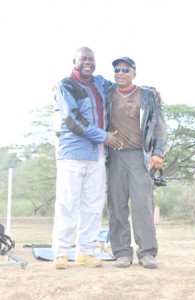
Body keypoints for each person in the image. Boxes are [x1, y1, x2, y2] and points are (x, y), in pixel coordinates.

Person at [52, 47, 122, 269]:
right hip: (72, 152)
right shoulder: (66, 85)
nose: (87, 62)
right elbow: (73, 119)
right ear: (74, 60)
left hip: (97, 154)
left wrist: (150, 90)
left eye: (91, 59)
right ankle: (61, 252)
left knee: (93, 204)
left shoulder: (100, 83)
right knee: (68, 202)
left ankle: (86, 251)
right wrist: (104, 136)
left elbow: (123, 87)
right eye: (83, 58)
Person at [107, 57, 167, 269]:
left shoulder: (148, 95)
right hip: (113, 156)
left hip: (140, 157)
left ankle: (147, 253)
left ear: (134, 73)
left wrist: (158, 152)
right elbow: (85, 83)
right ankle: (122, 252)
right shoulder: (107, 93)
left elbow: (159, 126)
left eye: (125, 69)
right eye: (117, 70)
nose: (120, 73)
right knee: (117, 206)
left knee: (143, 206)